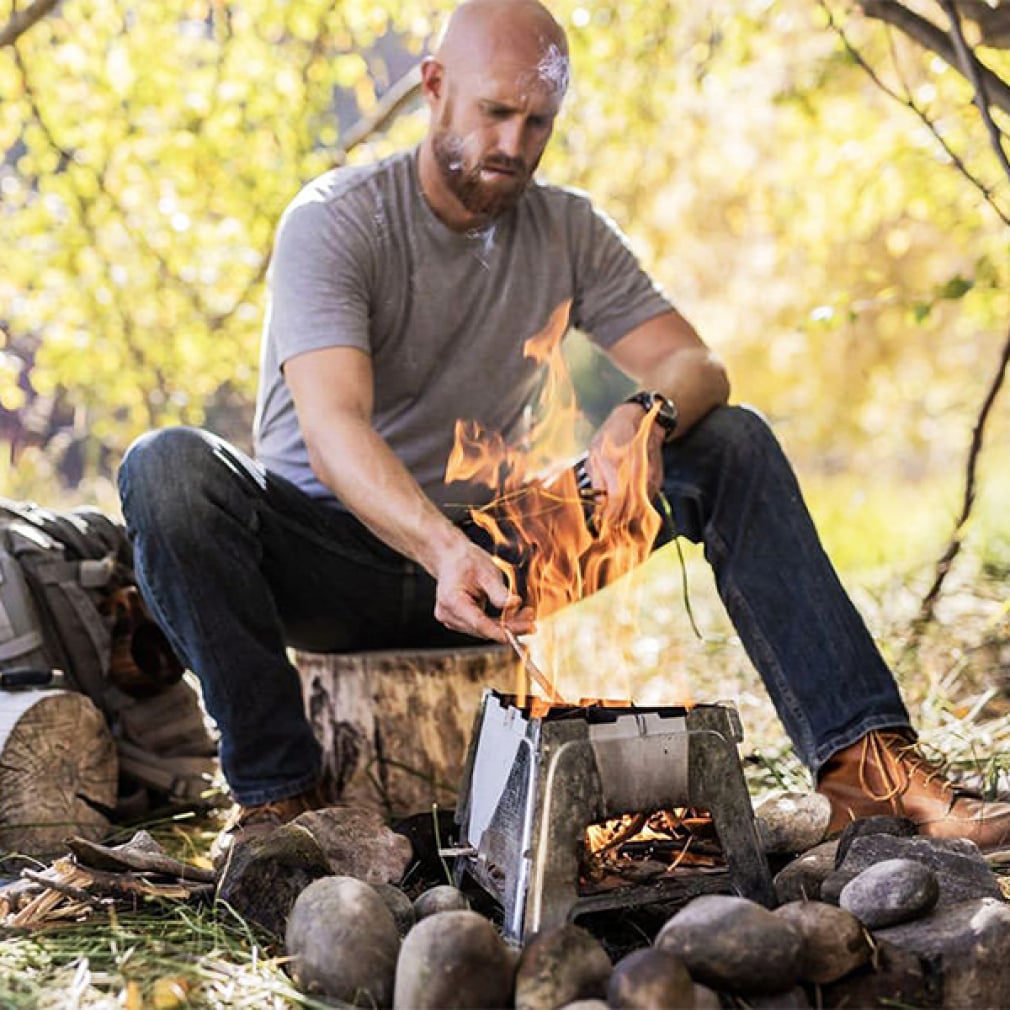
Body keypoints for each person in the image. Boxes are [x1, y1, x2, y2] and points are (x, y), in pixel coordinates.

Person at [118, 0, 1010, 853]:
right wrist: (439, 550)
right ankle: (280, 801)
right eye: (495, 112)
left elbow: (697, 364)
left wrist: (644, 413)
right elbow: (334, 429)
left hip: (501, 562)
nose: (514, 145)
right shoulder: (336, 220)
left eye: (537, 120)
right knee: (167, 468)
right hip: (329, 561)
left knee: (730, 444)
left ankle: (868, 773)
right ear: (434, 87)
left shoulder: (569, 228)